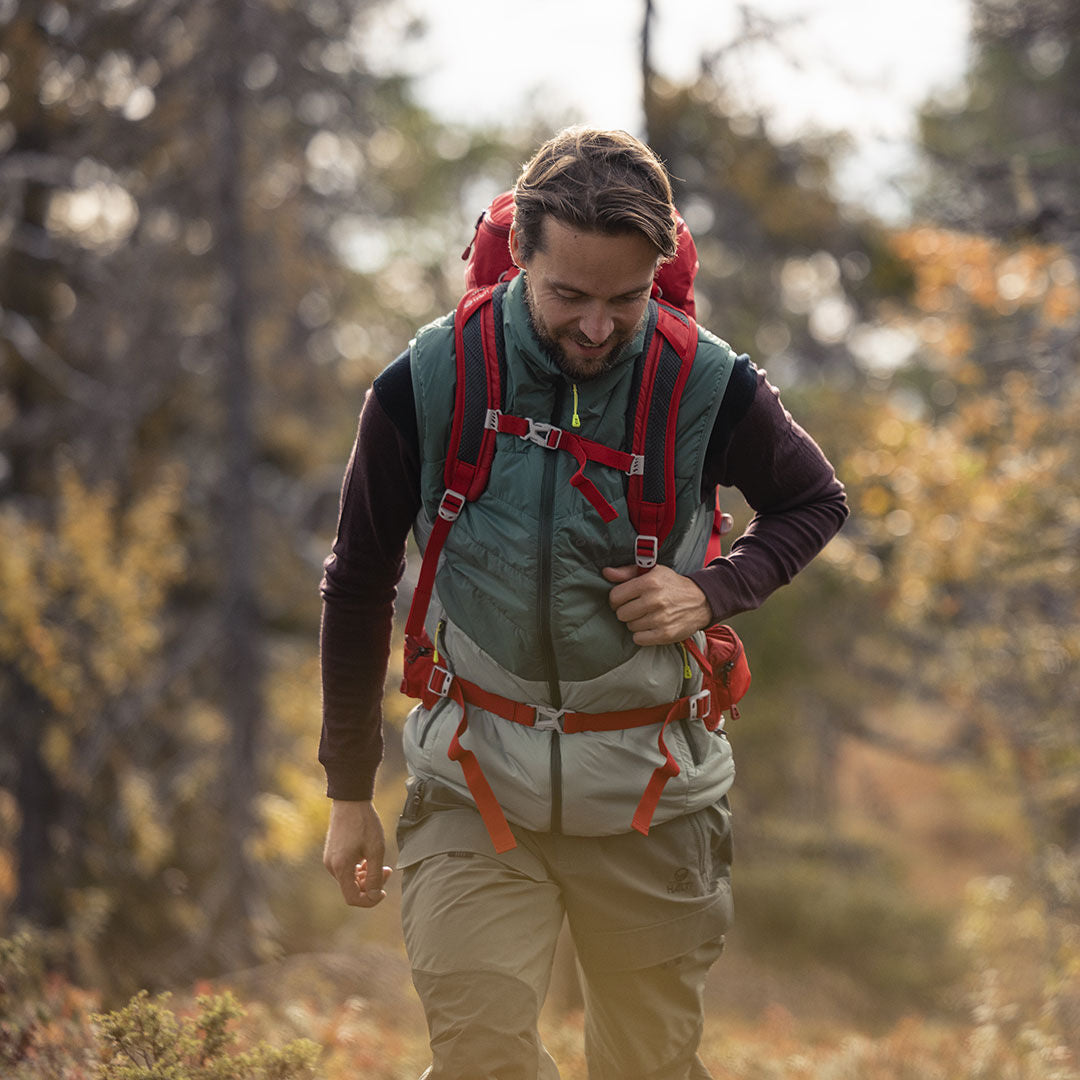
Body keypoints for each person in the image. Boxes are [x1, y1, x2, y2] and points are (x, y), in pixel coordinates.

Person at [320, 127, 849, 1079]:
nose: (598, 326)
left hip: (653, 794)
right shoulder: (429, 381)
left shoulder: (708, 383)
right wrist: (349, 791)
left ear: (661, 271)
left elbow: (817, 500)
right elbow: (358, 577)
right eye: (569, 295)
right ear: (520, 254)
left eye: (626, 298)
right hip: (473, 786)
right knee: (481, 1056)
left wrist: (710, 590)